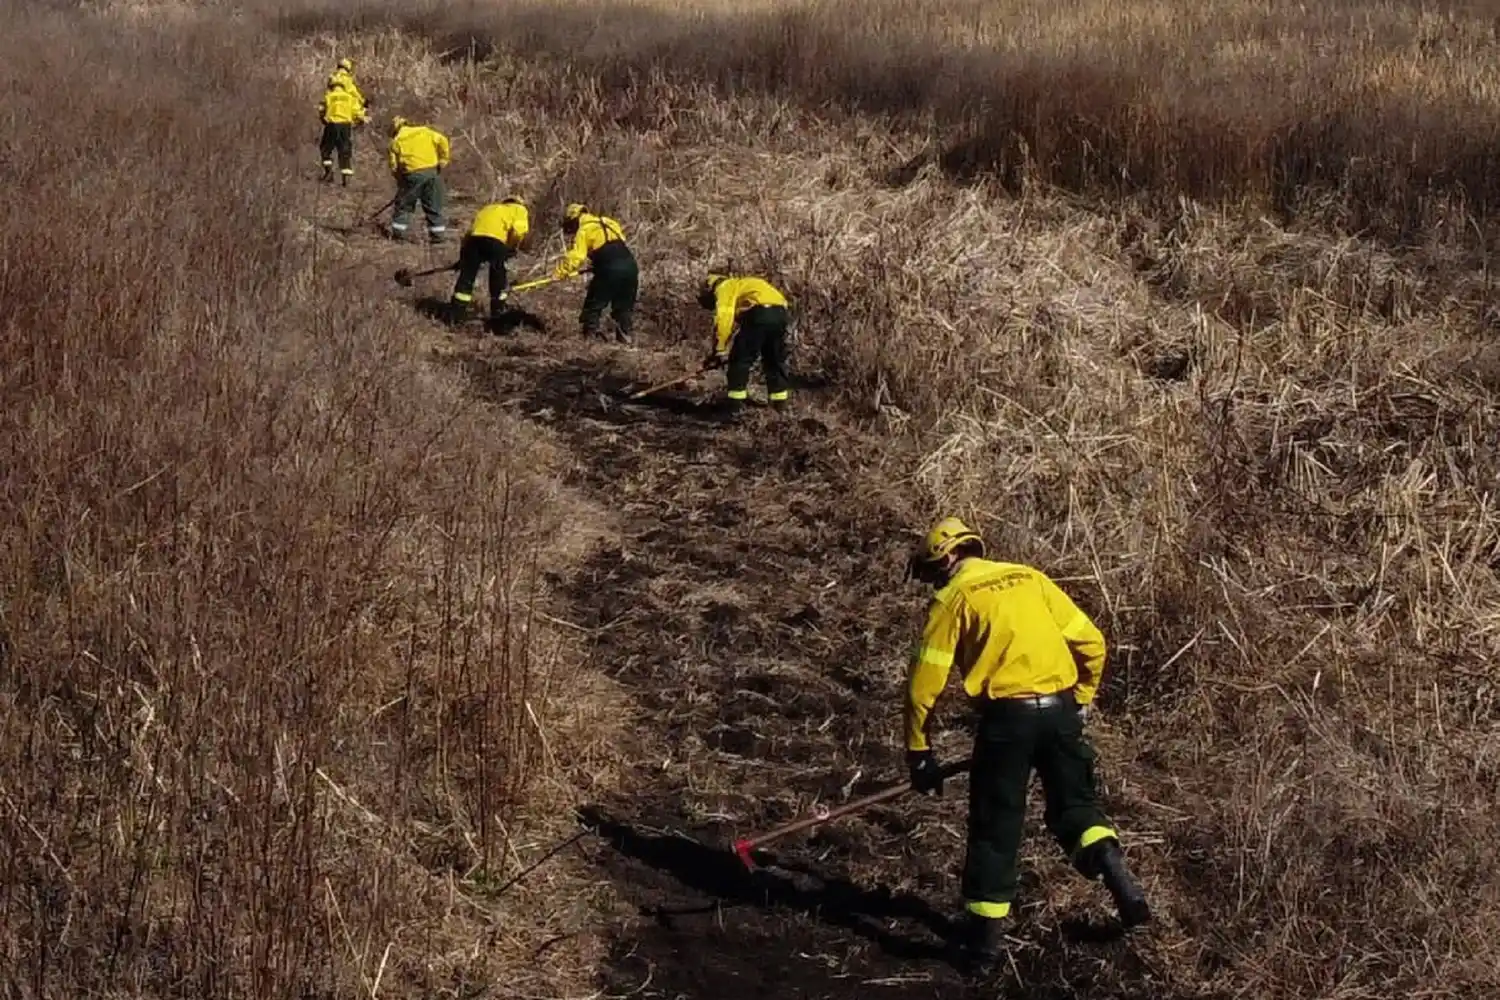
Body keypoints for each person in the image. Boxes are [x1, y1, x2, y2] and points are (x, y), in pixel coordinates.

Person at [903, 517, 1151, 968]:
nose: (934, 579)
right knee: (1077, 807)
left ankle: (982, 950)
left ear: (949, 558)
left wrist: (919, 751)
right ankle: (1114, 868)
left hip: (1006, 723)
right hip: (1060, 712)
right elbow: (1093, 642)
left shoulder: (952, 598)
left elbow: (924, 687)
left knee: (995, 828)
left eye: (933, 569)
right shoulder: (1031, 578)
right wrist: (1082, 699)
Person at [697, 272, 791, 417]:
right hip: (780, 314)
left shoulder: (724, 288)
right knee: (774, 360)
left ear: (710, 289)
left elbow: (724, 320)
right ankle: (779, 408)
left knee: (740, 360)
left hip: (760, 313)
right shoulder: (742, 285)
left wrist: (719, 350)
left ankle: (734, 408)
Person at [553, 203, 638, 345]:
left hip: (609, 269)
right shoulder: (609, 222)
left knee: (594, 304)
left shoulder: (584, 230)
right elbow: (617, 243)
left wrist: (559, 272)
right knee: (624, 307)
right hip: (630, 265)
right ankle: (626, 340)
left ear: (575, 220)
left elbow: (577, 257)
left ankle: (589, 341)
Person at [446, 198, 530, 330]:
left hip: (474, 242)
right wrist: (511, 247)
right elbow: (519, 232)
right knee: (498, 277)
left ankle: (455, 316)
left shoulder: (488, 208)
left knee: (466, 278)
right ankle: (498, 315)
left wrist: (463, 259)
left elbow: (469, 233)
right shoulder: (519, 209)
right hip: (496, 242)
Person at [387, 116, 450, 244]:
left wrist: (400, 180)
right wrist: (443, 160)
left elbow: (394, 165)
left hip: (411, 175)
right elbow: (442, 140)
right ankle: (438, 237)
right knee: (433, 205)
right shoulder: (426, 132)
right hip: (432, 174)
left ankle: (398, 235)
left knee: (404, 205)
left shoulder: (396, 141)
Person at [317, 78, 366, 185]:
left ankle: (328, 172)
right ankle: (346, 176)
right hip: (345, 126)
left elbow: (321, 110)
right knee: (344, 149)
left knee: (326, 148)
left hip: (332, 125)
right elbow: (358, 112)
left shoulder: (328, 96)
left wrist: (324, 119)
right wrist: (359, 121)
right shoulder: (350, 98)